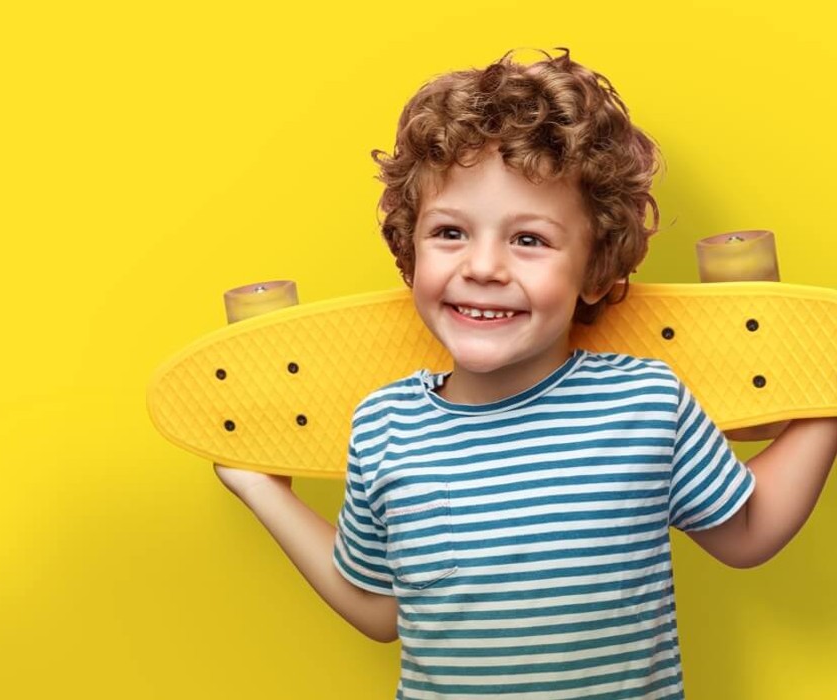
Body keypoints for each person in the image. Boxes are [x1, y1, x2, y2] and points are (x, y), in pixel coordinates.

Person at [214, 47, 837, 699]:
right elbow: (381, 610)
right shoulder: (384, 424)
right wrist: (262, 491)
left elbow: (748, 531)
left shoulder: (644, 402)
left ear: (597, 271)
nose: (483, 266)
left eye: (529, 239)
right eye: (450, 233)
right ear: (409, 251)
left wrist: (825, 397)